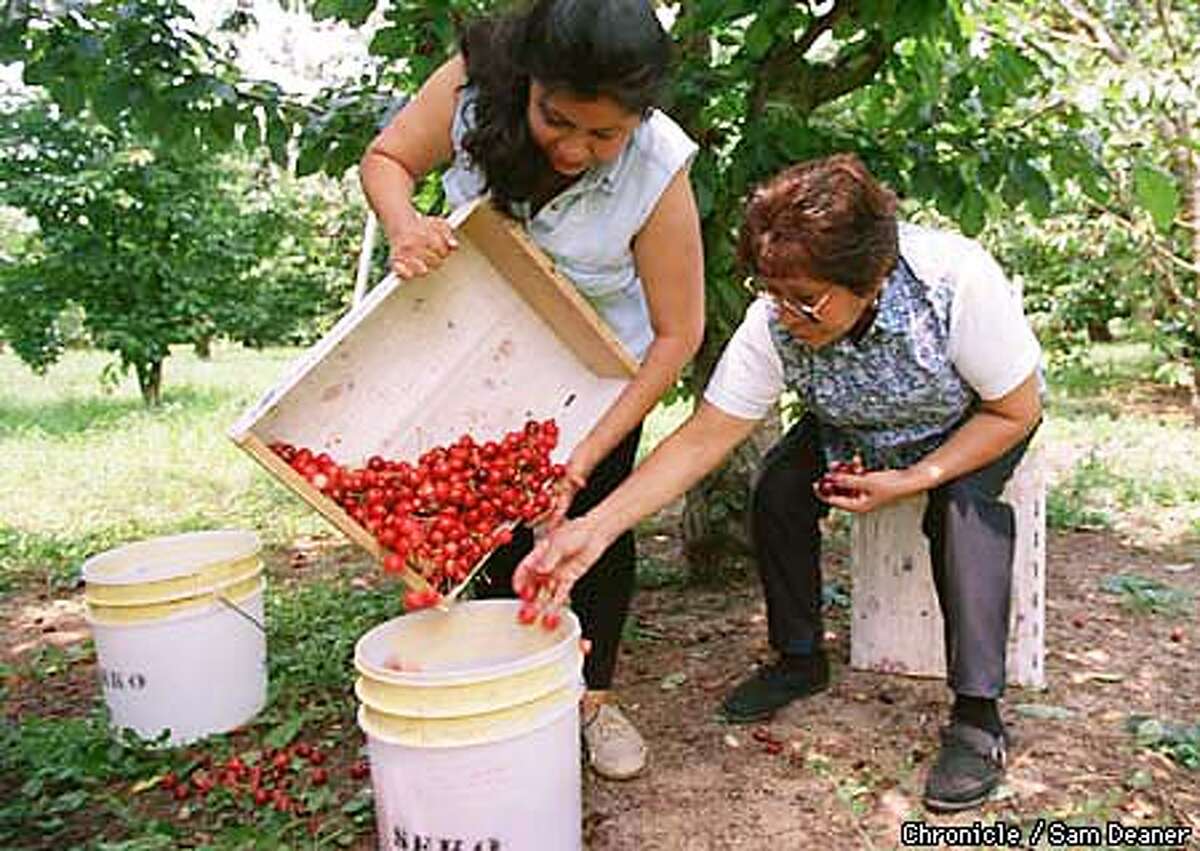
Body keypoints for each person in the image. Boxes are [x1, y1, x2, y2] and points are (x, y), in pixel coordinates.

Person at [513, 153, 1043, 813]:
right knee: (778, 490)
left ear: (872, 275)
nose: (786, 313)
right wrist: (595, 528)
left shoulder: (954, 280)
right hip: (850, 424)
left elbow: (1015, 410)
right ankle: (799, 656)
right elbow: (705, 435)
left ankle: (976, 715)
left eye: (807, 300)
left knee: (963, 512)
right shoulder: (776, 320)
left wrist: (918, 476)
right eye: (774, 293)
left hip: (968, 421)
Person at [359, 0, 705, 781]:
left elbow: (678, 335)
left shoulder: (657, 167)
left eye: (603, 135)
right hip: (478, 354)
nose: (576, 148)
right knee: (489, 525)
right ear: (530, 83)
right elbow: (386, 160)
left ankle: (592, 697)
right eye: (558, 120)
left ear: (637, 119)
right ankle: (507, 676)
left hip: (597, 375)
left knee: (586, 531)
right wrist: (405, 224)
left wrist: (586, 452)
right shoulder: (474, 88)